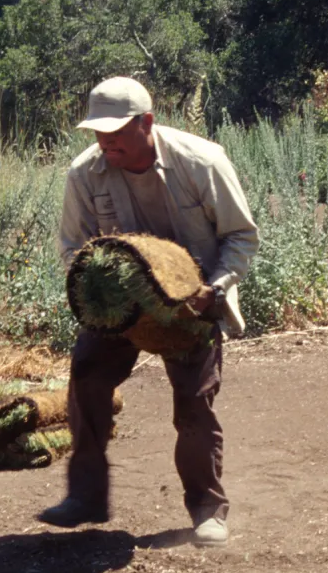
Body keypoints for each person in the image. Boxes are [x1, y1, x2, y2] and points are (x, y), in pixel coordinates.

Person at [38, 76, 260, 546]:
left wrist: (214, 289)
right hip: (120, 310)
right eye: (99, 132)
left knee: (194, 405)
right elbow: (72, 248)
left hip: (192, 304)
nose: (106, 142)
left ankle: (207, 509)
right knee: (87, 378)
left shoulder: (201, 162)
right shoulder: (85, 173)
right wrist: (96, 293)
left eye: (116, 132)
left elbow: (241, 236)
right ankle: (86, 498)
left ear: (147, 123)